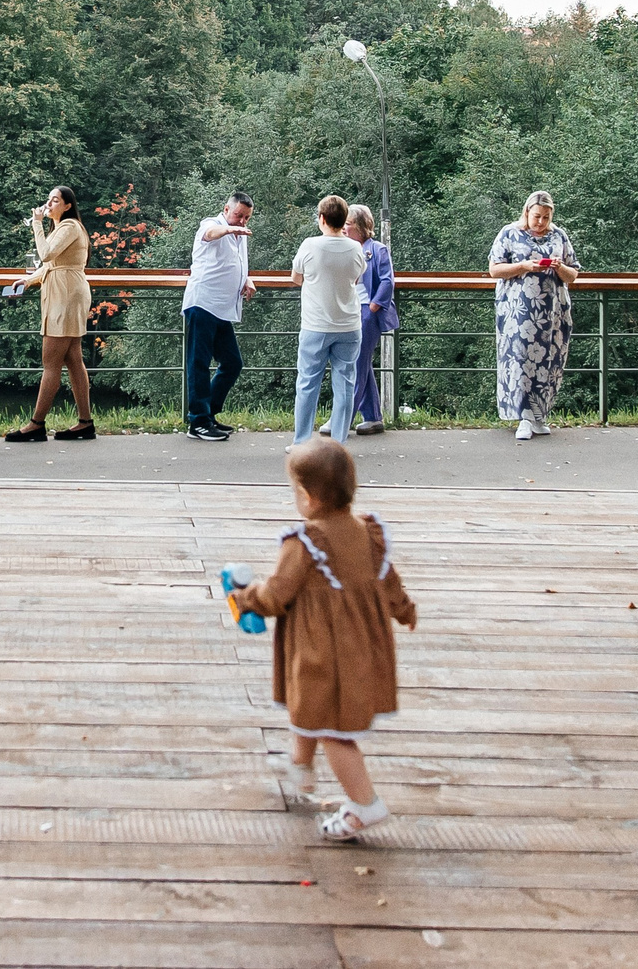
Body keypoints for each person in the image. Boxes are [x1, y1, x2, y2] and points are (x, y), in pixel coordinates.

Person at [228, 437, 418, 842]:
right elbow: (389, 583)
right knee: (314, 707)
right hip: (360, 648)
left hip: (323, 652)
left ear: (307, 498)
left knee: (332, 727)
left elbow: (276, 595)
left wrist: (244, 597)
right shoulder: (368, 535)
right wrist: (405, 609)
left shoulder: (306, 543)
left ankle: (365, 805)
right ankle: (301, 765)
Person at [488, 190, 581, 440]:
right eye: (537, 216)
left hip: (553, 311)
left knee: (550, 360)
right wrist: (524, 266)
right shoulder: (509, 233)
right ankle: (523, 417)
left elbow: (574, 274)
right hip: (517, 312)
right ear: (527, 212)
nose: (541, 222)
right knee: (520, 360)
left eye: (546, 218)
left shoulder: (559, 236)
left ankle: (540, 414)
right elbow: (494, 270)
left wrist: (560, 267)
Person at [7, 188, 94, 442]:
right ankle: (85, 422)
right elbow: (50, 265)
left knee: (51, 360)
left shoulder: (69, 227)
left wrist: (36, 223)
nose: (49, 204)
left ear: (67, 206)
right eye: (49, 199)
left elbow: (45, 254)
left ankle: (36, 424)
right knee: (73, 359)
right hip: (64, 291)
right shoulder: (63, 228)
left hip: (66, 295)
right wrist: (28, 280)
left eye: (55, 200)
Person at [290, 196, 368, 444]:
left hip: (316, 325)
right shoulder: (356, 248)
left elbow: (296, 277)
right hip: (349, 325)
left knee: (307, 383)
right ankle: (339, 444)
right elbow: (356, 278)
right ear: (344, 220)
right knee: (344, 384)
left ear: (321, 219)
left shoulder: (310, 246)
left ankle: (302, 442)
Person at [181, 193, 255, 442]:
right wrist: (227, 229)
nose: (242, 221)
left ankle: (207, 413)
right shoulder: (211, 224)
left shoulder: (239, 233)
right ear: (226, 209)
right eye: (238, 215)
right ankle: (198, 422)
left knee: (233, 363)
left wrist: (246, 279)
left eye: (246, 217)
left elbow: (236, 262)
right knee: (199, 363)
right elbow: (210, 234)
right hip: (203, 302)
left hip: (223, 307)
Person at [347, 205, 397, 437]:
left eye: (349, 224)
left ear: (360, 226)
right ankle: (373, 417)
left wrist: (374, 305)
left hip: (368, 310)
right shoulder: (346, 247)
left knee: (357, 363)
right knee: (363, 364)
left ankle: (343, 417)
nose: (345, 228)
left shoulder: (377, 249)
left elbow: (387, 280)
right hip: (348, 310)